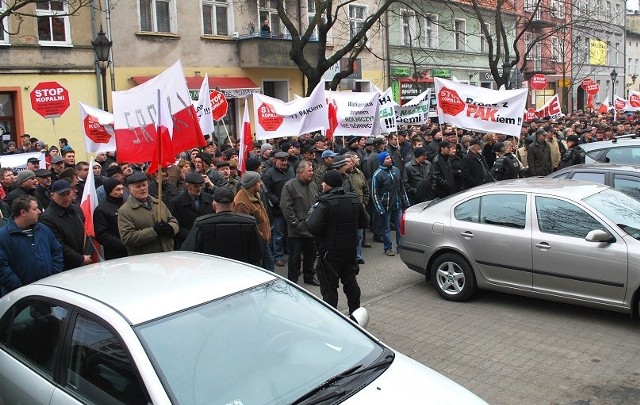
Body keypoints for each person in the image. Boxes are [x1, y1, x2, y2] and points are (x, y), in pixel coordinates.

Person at [306, 170, 368, 315]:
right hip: (349, 252)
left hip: (329, 255)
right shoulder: (354, 199)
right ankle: (356, 315)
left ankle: (333, 319)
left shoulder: (324, 203)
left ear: (329, 185)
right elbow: (365, 221)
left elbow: (312, 227)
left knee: (329, 289)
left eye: (324, 182)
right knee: (351, 284)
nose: (321, 184)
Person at [0, 196, 63, 297]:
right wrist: (19, 287)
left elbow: (56, 251)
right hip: (20, 297)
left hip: (48, 289)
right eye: (34, 209)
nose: (39, 211)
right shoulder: (3, 236)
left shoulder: (43, 229)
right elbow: (2, 267)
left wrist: (53, 274)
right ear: (23, 212)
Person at [181, 188, 263, 265]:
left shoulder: (200, 224)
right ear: (234, 204)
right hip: (241, 271)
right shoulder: (249, 223)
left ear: (213, 205)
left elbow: (188, 252)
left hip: (211, 272)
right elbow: (257, 254)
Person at [118, 171, 179, 255]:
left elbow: (173, 221)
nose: (142, 188)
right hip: (145, 259)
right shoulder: (125, 210)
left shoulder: (158, 203)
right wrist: (153, 231)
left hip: (167, 254)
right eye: (138, 187)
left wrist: (170, 228)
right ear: (130, 190)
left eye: (144, 185)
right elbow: (127, 238)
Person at [280, 160, 320, 285]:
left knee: (310, 255)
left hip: (311, 229)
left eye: (312, 170)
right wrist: (296, 224)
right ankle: (293, 281)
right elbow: (287, 208)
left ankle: (309, 276)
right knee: (295, 257)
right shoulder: (289, 186)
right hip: (296, 231)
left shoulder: (313, 185)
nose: (312, 173)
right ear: (300, 172)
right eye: (309, 171)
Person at [40, 180, 93, 270]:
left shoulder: (77, 210)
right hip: (66, 266)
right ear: (52, 195)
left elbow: (87, 233)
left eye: (68, 194)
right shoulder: (47, 218)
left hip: (85, 260)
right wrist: (80, 259)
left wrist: (87, 254)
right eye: (62, 195)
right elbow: (58, 245)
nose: (66, 198)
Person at [371, 151, 410, 256]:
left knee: (399, 227)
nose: (390, 160)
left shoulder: (396, 170)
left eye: (389, 158)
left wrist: (405, 201)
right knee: (386, 228)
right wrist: (380, 208)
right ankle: (387, 248)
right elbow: (374, 194)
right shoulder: (377, 175)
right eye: (387, 158)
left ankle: (400, 246)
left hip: (397, 204)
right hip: (385, 206)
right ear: (382, 161)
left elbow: (402, 188)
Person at [233, 171, 273, 270]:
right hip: (256, 243)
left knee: (269, 266)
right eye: (259, 181)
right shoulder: (241, 203)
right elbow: (244, 227)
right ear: (252, 185)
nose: (261, 183)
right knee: (261, 269)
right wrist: (261, 236)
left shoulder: (255, 194)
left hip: (262, 241)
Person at [262, 151, 294, 267]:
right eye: (282, 160)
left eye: (286, 160)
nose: (285, 162)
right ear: (275, 160)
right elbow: (267, 192)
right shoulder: (269, 174)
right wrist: (278, 202)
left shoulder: (291, 170)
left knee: (290, 232)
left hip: (291, 207)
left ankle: (290, 251)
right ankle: (278, 256)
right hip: (278, 209)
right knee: (278, 234)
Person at [169, 172, 214, 249]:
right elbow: (176, 225)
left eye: (201, 186)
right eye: (196, 186)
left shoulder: (208, 199)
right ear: (187, 186)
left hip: (206, 242)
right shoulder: (177, 202)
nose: (199, 189)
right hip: (187, 243)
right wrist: (193, 236)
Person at [93, 178, 128, 260]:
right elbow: (101, 235)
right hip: (115, 253)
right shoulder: (101, 209)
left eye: (122, 189)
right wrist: (122, 244)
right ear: (109, 191)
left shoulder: (127, 204)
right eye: (117, 190)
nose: (121, 192)